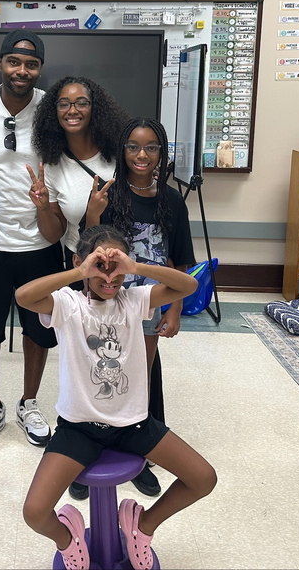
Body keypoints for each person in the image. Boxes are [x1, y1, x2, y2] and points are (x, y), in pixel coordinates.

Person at [17, 225, 217, 570]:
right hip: (79, 427)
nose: (109, 278)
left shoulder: (134, 300)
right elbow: (24, 296)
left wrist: (135, 267)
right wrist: (80, 273)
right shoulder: (68, 304)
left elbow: (189, 285)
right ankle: (69, 540)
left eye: (116, 268)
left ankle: (142, 527)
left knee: (203, 478)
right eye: (100, 267)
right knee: (34, 512)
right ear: (81, 262)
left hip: (133, 424)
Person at [0, 29, 63, 450]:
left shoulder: (52, 110)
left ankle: (29, 402)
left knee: (40, 331)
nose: (22, 70)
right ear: (0, 64)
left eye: (31, 64)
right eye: (14, 62)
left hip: (40, 244)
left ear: (39, 69)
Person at [85, 117, 196, 497]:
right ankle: (89, 446)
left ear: (162, 153)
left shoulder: (171, 200)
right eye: (133, 146)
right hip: (106, 302)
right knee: (101, 371)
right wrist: (94, 214)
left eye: (151, 147)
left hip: (149, 305)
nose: (141, 154)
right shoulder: (109, 194)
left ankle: (137, 450)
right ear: (122, 150)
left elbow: (180, 262)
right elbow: (89, 248)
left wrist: (175, 310)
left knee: (139, 376)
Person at [29, 76, 127, 261]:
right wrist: (43, 208)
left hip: (128, 257)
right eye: (63, 104)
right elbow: (53, 235)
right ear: (54, 111)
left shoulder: (120, 154)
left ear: (95, 108)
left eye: (82, 103)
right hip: (82, 260)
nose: (72, 110)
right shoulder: (53, 166)